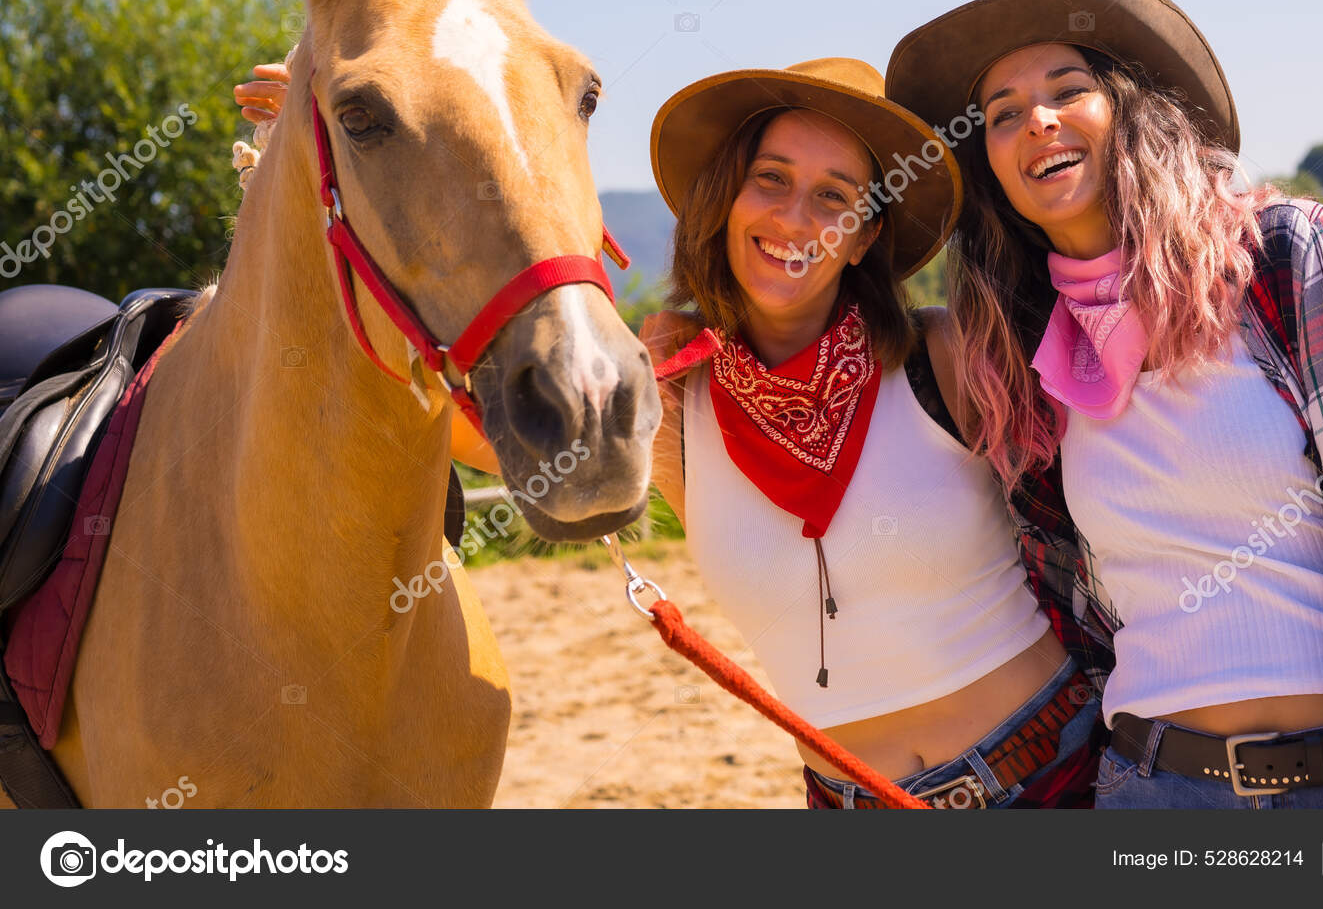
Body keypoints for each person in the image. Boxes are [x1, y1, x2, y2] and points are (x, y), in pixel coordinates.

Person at [235, 55, 1105, 809]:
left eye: (835, 197)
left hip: (1056, 775)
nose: (796, 217)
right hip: (844, 800)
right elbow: (494, 429)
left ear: (865, 235)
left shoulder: (949, 354)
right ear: (726, 199)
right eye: (771, 179)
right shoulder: (674, 393)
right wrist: (346, 155)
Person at [882, 0, 1323, 809]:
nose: (1035, 119)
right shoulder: (1025, 350)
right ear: (991, 162)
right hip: (1151, 789)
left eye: (1068, 89)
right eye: (1001, 113)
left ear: (1130, 112)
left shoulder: (1286, 259)